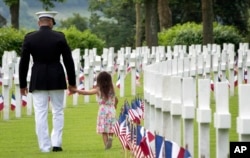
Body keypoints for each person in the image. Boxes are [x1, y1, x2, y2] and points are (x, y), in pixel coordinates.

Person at [19, 11, 76, 153]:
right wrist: (73, 83)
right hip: (56, 77)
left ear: (39, 23)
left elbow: (24, 62)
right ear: (51, 22)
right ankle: (56, 143)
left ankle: (44, 147)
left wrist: (22, 84)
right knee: (58, 111)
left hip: (38, 78)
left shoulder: (30, 38)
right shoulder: (59, 37)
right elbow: (68, 60)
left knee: (40, 113)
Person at [72, 71, 118, 150]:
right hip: (111, 109)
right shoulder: (112, 88)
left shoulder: (98, 89)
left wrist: (76, 90)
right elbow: (116, 99)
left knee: (103, 130)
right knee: (111, 126)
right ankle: (110, 137)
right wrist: (115, 106)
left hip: (103, 110)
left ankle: (106, 145)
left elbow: (87, 92)